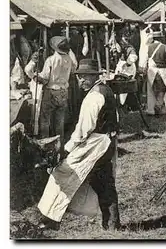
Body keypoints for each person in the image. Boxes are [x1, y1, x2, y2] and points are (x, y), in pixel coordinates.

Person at [37, 59, 121, 231]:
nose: (81, 81)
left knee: (62, 172)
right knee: (103, 181)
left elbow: (83, 130)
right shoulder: (106, 90)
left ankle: (51, 218)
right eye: (79, 77)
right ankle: (112, 224)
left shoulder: (95, 96)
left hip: (96, 144)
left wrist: (66, 150)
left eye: (85, 77)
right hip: (107, 141)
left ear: (93, 77)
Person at [35, 36, 77, 143]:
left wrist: (36, 76)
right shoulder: (69, 59)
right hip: (63, 91)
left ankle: (45, 143)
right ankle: (59, 145)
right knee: (60, 121)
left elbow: (44, 78)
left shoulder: (51, 60)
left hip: (51, 91)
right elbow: (73, 69)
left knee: (45, 119)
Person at [146, 34, 166, 116]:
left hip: (151, 72)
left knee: (151, 91)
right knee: (163, 89)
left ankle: (151, 110)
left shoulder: (148, 47)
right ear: (161, 39)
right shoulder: (165, 47)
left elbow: (145, 60)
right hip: (162, 71)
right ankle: (159, 107)